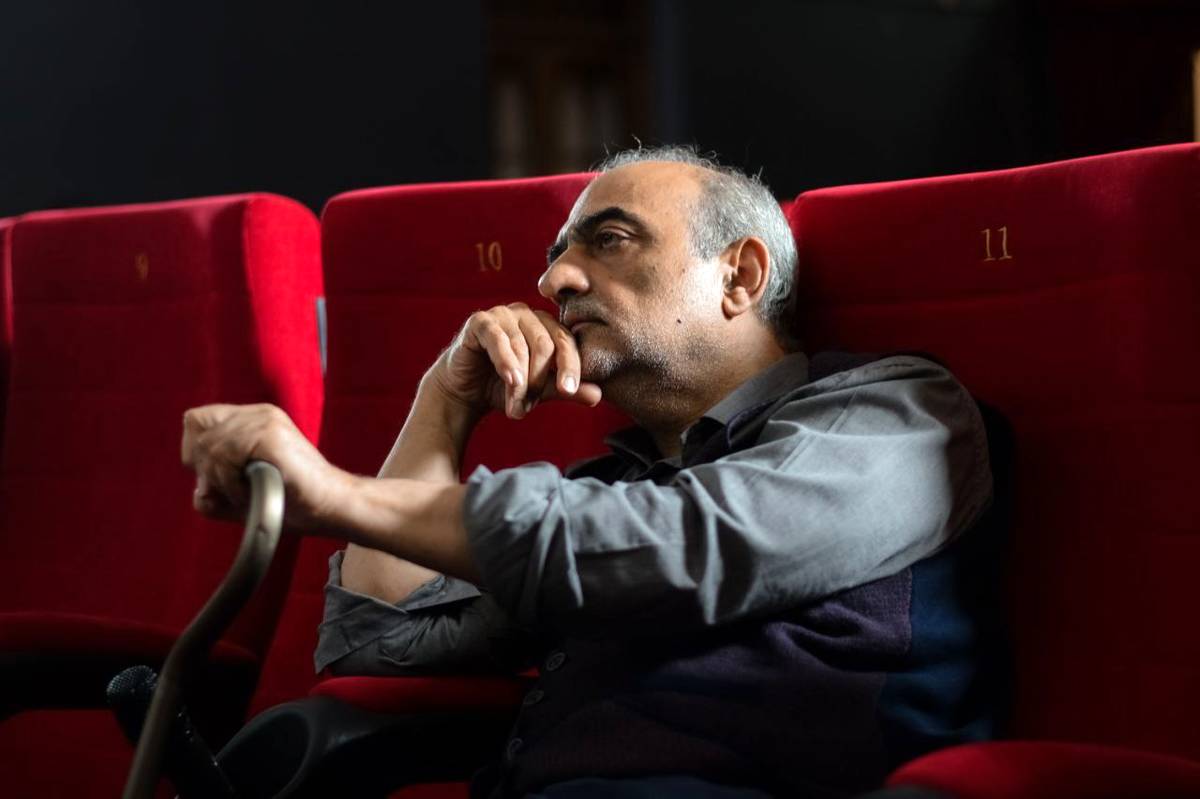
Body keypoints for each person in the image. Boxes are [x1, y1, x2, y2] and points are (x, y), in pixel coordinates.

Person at [181, 146, 1001, 798]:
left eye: (609, 240)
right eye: (556, 255)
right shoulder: (612, 484)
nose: (553, 281)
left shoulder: (899, 411)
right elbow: (381, 642)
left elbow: (683, 546)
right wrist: (445, 399)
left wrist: (334, 494)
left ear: (740, 276)